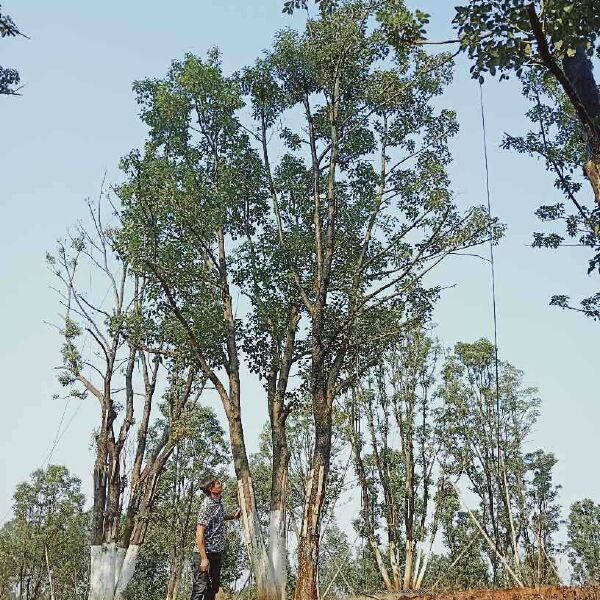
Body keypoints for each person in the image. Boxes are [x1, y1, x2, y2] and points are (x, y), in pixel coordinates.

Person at [191, 477, 241, 600]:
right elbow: (199, 532)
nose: (221, 484)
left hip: (216, 552)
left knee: (213, 587)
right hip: (204, 553)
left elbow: (219, 518)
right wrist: (203, 558)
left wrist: (234, 516)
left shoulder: (219, 503)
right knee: (200, 588)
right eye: (218, 483)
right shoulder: (207, 505)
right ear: (211, 489)